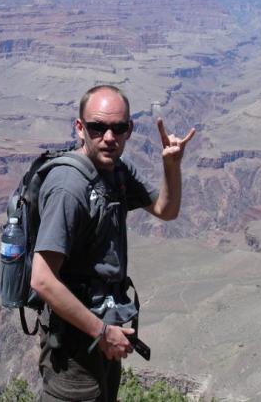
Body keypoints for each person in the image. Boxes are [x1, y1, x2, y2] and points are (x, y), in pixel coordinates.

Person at [31, 84, 195, 401]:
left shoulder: (117, 170)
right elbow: (41, 279)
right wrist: (102, 333)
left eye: (118, 127)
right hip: (75, 347)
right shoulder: (69, 187)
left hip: (105, 332)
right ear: (80, 128)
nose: (109, 137)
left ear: (129, 130)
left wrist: (171, 166)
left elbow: (166, 210)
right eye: (97, 127)